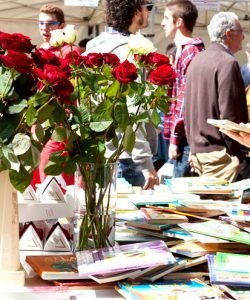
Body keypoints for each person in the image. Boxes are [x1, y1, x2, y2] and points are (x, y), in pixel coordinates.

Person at [85, 0, 159, 190]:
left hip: (100, 151)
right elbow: (134, 107)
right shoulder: (131, 48)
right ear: (136, 12)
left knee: (105, 217)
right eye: (147, 7)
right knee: (128, 219)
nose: (149, 13)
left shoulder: (94, 45)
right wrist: (145, 162)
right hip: (128, 156)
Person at [184, 12, 248, 182]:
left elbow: (186, 109)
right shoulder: (227, 62)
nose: (243, 37)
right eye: (241, 31)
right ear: (229, 33)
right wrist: (237, 154)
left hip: (198, 153)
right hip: (221, 157)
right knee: (223, 208)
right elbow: (229, 115)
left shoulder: (197, 60)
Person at [32, 4, 81, 187]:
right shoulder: (41, 50)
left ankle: (62, 216)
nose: (45, 28)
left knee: (53, 180)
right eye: (41, 23)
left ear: (62, 26)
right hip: (40, 122)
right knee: (40, 179)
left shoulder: (70, 51)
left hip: (60, 122)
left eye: (50, 23)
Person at [161, 0, 205, 178]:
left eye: (166, 18)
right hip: (182, 139)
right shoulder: (183, 51)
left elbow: (185, 102)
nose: (162, 23)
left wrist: (175, 139)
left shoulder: (190, 52)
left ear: (178, 22)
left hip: (186, 140)